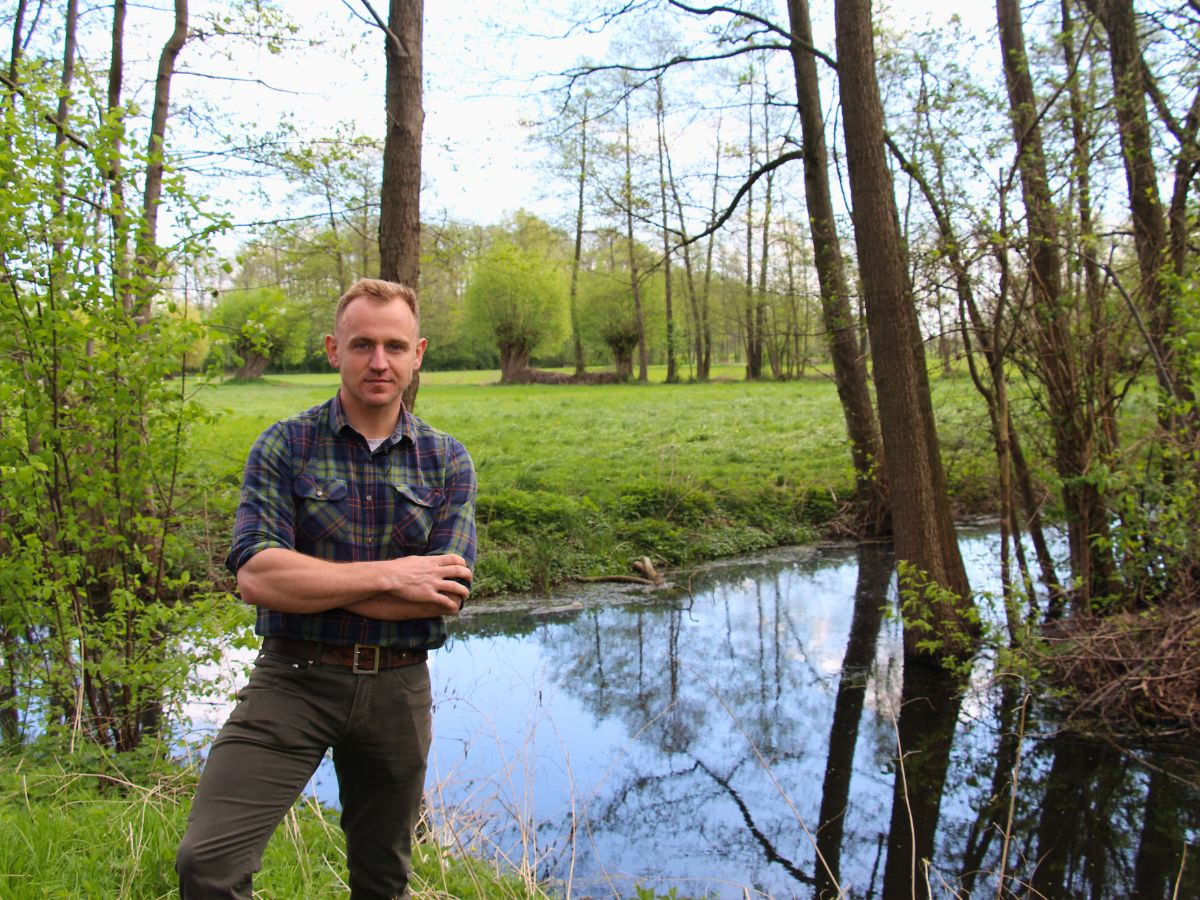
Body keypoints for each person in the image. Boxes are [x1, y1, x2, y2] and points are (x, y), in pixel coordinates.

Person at [177, 278, 476, 899]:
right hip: (293, 678)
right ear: (331, 349)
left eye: (394, 346)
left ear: (417, 353)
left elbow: (442, 594)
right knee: (208, 866)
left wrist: (310, 580)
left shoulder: (447, 461)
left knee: (382, 879)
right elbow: (257, 576)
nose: (378, 361)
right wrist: (392, 573)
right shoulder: (286, 446)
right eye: (361, 344)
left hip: (398, 688)